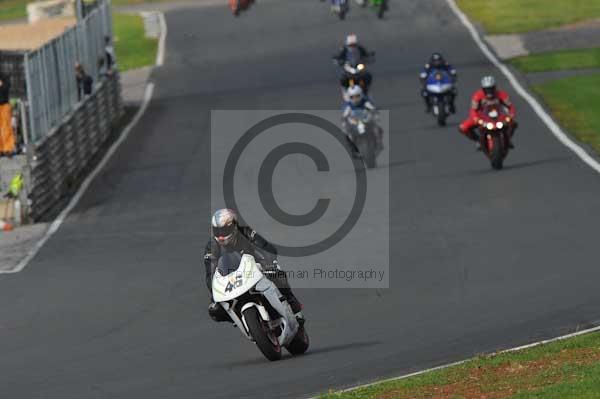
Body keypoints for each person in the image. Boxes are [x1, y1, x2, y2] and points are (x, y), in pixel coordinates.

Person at [204, 209, 304, 323]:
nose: (221, 236)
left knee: (277, 274)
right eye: (217, 231)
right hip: (231, 278)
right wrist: (214, 290)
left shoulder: (245, 232)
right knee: (215, 309)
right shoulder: (211, 246)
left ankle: (294, 307)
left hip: (255, 268)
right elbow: (210, 271)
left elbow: (266, 247)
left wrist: (270, 263)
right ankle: (240, 320)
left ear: (234, 226)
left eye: (224, 230)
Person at [459, 75, 517, 149]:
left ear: (495, 88)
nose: (489, 91)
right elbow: (473, 109)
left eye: (491, 89)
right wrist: (476, 118)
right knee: (463, 128)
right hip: (482, 117)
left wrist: (511, 115)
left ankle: (507, 139)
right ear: (483, 89)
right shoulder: (477, 96)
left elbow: (510, 106)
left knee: (513, 124)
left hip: (499, 116)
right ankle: (478, 140)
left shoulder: (502, 94)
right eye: (487, 89)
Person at [342, 85, 383, 154]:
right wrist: (344, 119)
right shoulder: (349, 105)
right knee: (348, 133)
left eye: (357, 96)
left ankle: (379, 142)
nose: (355, 99)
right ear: (349, 97)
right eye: (352, 97)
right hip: (354, 122)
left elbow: (372, 108)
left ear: (361, 95)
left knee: (377, 128)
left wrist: (375, 112)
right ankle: (353, 148)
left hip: (365, 120)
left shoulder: (365, 102)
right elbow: (345, 114)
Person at [0, 71, 16, 156]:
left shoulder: (4, 76)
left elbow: (6, 87)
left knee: (6, 127)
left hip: (4, 104)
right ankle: (1, 149)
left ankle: (8, 149)